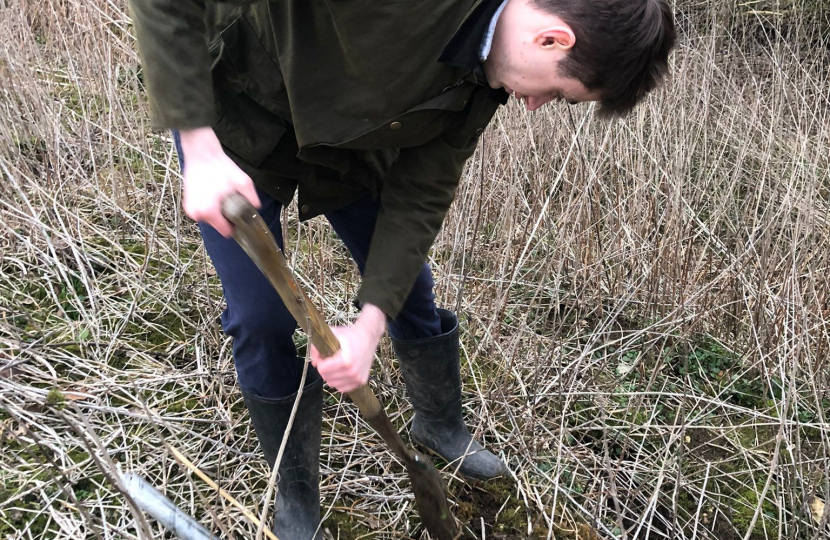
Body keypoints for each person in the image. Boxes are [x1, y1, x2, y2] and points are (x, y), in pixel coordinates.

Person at [129, 0, 675, 537]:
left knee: (406, 288)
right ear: (553, 38)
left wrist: (367, 328)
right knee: (261, 319)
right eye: (558, 92)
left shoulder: (484, 79)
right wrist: (198, 148)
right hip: (236, 127)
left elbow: (419, 196)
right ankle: (296, 495)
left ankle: (439, 425)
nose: (536, 105)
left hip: (351, 148)